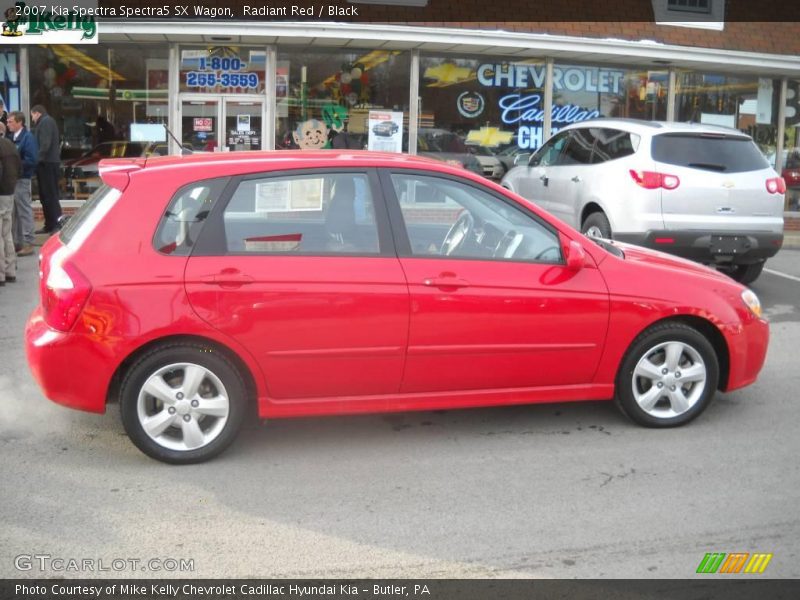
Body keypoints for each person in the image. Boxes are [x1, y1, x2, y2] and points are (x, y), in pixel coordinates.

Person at [6, 111, 38, 256]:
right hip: (13, 179)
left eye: (11, 122)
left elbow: (32, 160)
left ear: (20, 122)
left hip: (22, 179)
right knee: (15, 213)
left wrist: (14, 165)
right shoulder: (12, 138)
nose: (8, 124)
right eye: (7, 122)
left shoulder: (27, 137)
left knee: (24, 211)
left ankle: (29, 243)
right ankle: (17, 242)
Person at [30, 104, 62, 234]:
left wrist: (37, 159)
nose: (32, 119)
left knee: (50, 195)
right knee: (45, 196)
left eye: (32, 115)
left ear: (37, 113)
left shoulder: (46, 122)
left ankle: (56, 224)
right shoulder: (45, 122)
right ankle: (49, 224)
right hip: (46, 163)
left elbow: (45, 143)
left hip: (48, 163)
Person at [0, 122, 21, 286]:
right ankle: (10, 270)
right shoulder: (11, 145)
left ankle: (1, 274)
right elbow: (19, 168)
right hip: (9, 192)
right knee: (7, 233)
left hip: (1, 192)